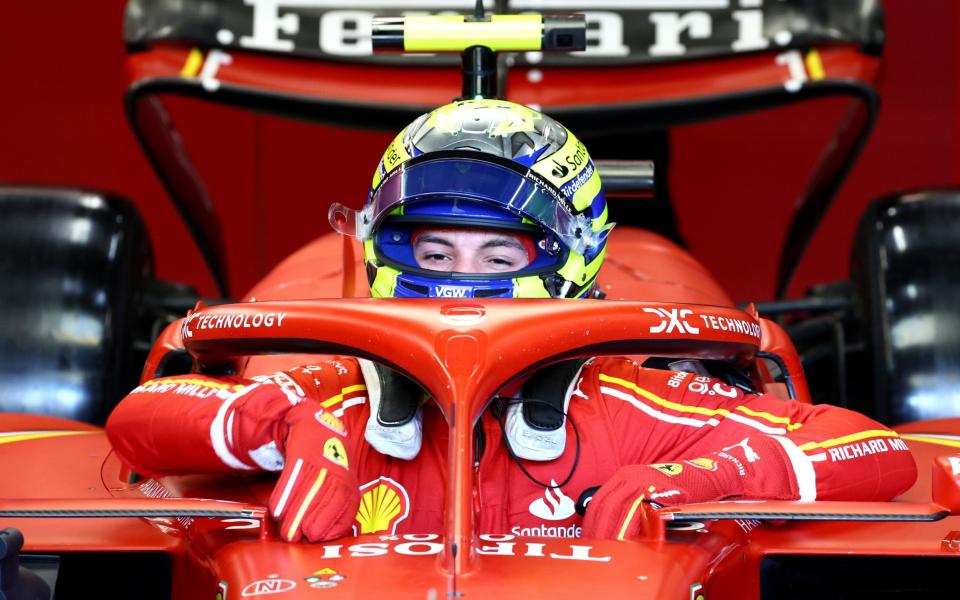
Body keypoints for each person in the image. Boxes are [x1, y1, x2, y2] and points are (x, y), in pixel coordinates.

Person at [106, 99, 917, 543]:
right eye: (434, 251)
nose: (463, 283)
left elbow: (882, 454)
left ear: (569, 260)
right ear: (385, 250)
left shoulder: (634, 410)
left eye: (500, 259)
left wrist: (702, 480)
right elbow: (139, 419)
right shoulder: (330, 398)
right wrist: (283, 426)